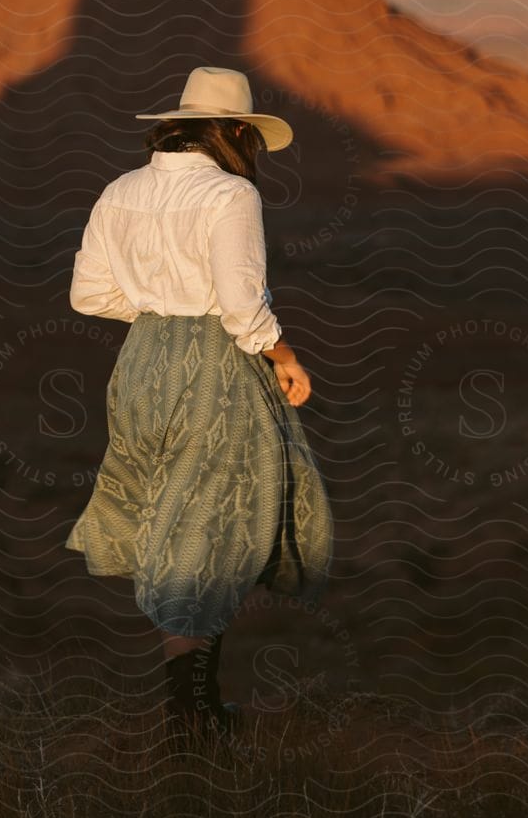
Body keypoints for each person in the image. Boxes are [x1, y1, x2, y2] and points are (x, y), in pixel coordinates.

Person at [63, 65, 334, 740]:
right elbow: (243, 306)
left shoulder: (121, 189)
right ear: (237, 131)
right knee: (217, 530)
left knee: (178, 529)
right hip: (213, 366)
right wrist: (285, 356)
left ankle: (198, 710)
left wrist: (160, 319)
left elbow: (88, 296)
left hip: (140, 366)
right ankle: (191, 719)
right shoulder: (231, 194)